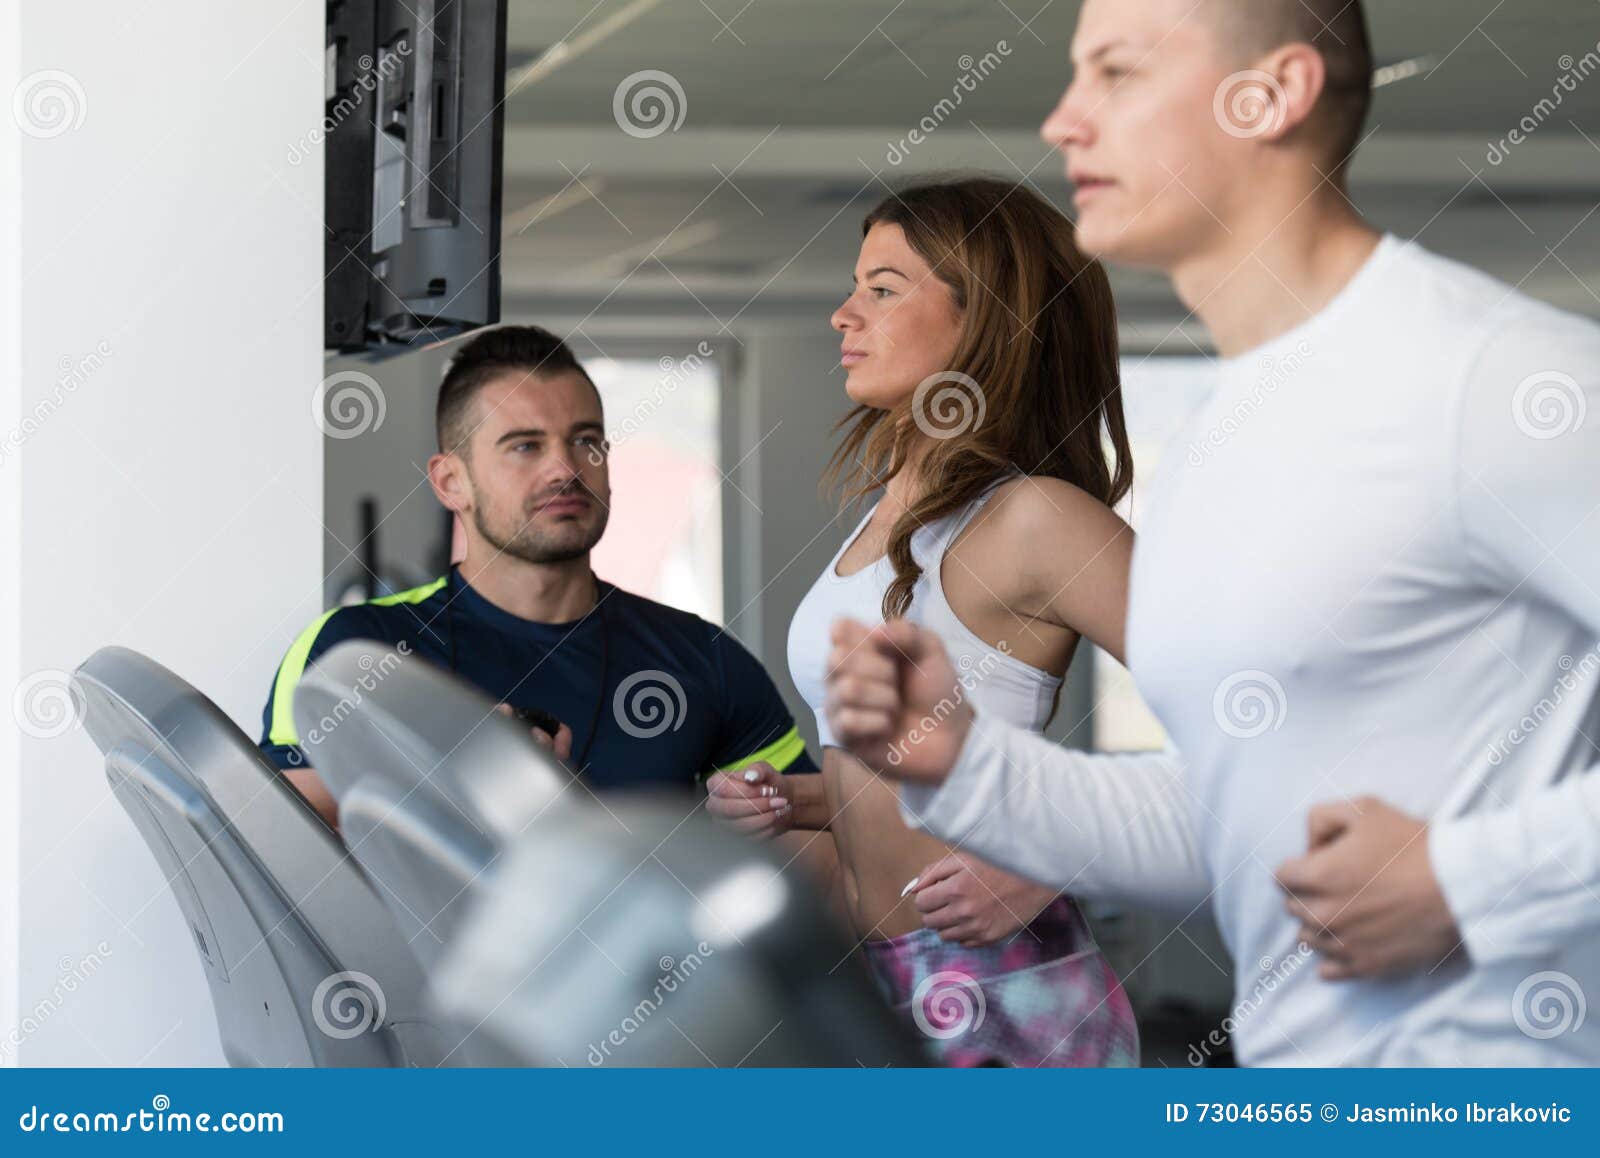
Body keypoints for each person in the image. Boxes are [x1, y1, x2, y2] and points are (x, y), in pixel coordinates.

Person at [823, 0, 1600, 1066]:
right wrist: (963, 767)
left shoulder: (1505, 381)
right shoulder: (1215, 448)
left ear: (1270, 94)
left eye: (1118, 74)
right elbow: (1234, 809)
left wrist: (1468, 880)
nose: (1063, 120)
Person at [709, 178, 1140, 1067]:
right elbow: (912, 790)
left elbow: (1256, 721)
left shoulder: (1039, 518)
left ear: (986, 318)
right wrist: (804, 801)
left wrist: (1055, 855)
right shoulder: (896, 516)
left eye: (882, 288)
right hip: (879, 984)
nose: (843, 314)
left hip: (1006, 1000)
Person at [259, 325, 817, 829]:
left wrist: (771, 817)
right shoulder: (353, 648)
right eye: (525, 446)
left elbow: (815, 849)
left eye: (585, 441)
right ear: (451, 481)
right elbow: (272, 842)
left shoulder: (703, 658)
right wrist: (458, 776)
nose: (566, 469)